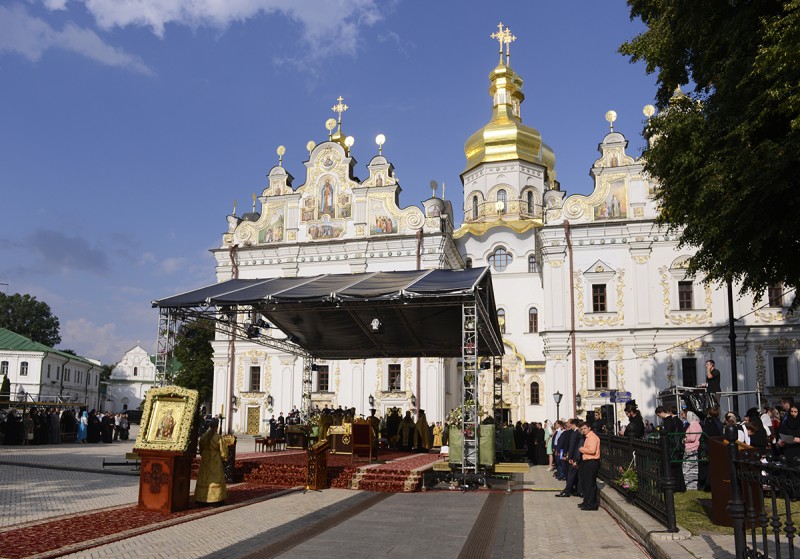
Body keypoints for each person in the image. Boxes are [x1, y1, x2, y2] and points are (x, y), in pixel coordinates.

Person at [195, 418, 228, 506]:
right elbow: (223, 450)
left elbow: (200, 448)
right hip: (215, 459)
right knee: (215, 478)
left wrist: (204, 454)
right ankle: (216, 499)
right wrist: (224, 458)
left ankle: (201, 498)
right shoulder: (218, 437)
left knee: (204, 478)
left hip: (206, 458)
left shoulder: (204, 436)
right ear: (217, 427)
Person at [577, 421, 601, 510]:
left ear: (589, 428)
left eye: (585, 428)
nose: (583, 430)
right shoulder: (587, 437)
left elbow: (592, 450)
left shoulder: (592, 437)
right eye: (582, 429)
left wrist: (581, 449)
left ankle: (592, 504)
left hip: (592, 462)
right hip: (586, 462)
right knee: (585, 483)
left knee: (590, 483)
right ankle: (586, 501)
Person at [682, 411, 702, 490]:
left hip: (692, 448)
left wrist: (685, 439)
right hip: (693, 447)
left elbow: (692, 437)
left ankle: (691, 485)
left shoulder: (693, 425)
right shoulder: (696, 424)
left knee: (690, 468)